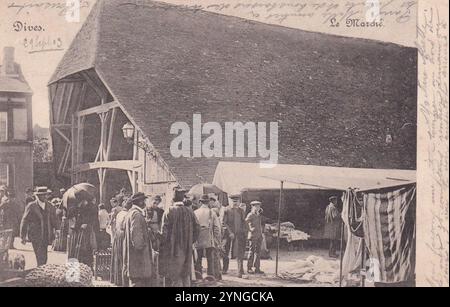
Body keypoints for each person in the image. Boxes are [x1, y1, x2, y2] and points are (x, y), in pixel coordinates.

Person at [159, 189, 200, 287]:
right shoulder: (190, 211)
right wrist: (191, 240)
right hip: (187, 248)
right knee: (185, 274)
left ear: (173, 199)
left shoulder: (169, 211)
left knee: (175, 274)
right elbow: (197, 228)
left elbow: (164, 233)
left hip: (173, 248)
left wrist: (163, 244)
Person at [19, 187, 57, 266]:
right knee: (39, 255)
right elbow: (24, 220)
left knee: (45, 255)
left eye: (45, 195)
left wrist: (57, 230)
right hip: (35, 234)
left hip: (46, 233)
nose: (44, 197)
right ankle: (40, 269)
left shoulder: (50, 205)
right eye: (42, 195)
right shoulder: (31, 206)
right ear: (38, 196)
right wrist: (23, 236)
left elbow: (54, 219)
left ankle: (41, 269)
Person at [123, 193, 153, 287]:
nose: (145, 203)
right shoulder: (137, 215)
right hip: (138, 259)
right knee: (138, 283)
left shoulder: (131, 213)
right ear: (140, 202)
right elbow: (137, 239)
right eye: (144, 201)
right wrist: (143, 249)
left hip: (133, 258)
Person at [67, 195, 99, 268]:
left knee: (86, 248)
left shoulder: (91, 207)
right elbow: (70, 216)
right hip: (78, 231)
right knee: (79, 249)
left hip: (86, 231)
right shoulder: (76, 207)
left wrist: (87, 224)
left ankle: (86, 265)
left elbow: (94, 220)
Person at [193, 194, 221, 281]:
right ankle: (211, 276)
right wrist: (217, 240)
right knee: (210, 258)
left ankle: (198, 274)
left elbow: (193, 227)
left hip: (198, 238)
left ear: (200, 202)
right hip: (209, 238)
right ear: (208, 202)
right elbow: (217, 228)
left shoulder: (195, 212)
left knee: (198, 257)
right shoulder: (212, 212)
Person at [222, 194, 247, 278]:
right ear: (230, 201)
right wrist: (230, 233)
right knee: (226, 251)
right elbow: (224, 223)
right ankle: (225, 269)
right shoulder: (227, 210)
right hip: (229, 235)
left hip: (239, 235)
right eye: (233, 201)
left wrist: (243, 232)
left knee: (240, 252)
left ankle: (240, 271)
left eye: (236, 201)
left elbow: (244, 222)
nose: (235, 203)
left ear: (239, 202)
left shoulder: (241, 211)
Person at [110, 199, 132, 287]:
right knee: (124, 258)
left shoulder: (119, 213)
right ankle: (123, 281)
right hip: (123, 236)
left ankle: (117, 279)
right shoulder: (127, 214)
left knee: (117, 258)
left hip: (117, 235)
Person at [246, 200, 265, 274]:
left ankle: (257, 268)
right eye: (255, 206)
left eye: (258, 206)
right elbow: (245, 223)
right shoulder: (250, 215)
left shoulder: (259, 215)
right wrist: (250, 229)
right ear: (252, 207)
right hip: (253, 235)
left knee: (258, 252)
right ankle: (249, 268)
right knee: (251, 252)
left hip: (259, 235)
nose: (257, 207)